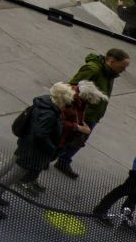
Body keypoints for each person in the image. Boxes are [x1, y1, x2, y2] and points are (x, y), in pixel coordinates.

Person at [0, 83, 67, 218]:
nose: (66, 105)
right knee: (11, 176)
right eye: (66, 102)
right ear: (61, 100)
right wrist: (51, 148)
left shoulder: (43, 103)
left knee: (8, 169)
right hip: (32, 152)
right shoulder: (50, 113)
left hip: (25, 144)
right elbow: (40, 135)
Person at [53, 49, 130, 177]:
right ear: (111, 61)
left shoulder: (110, 73)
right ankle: (46, 158)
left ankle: (63, 161)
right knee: (64, 136)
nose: (124, 70)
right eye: (122, 66)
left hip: (92, 115)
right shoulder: (93, 69)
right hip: (81, 114)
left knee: (79, 140)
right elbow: (72, 87)